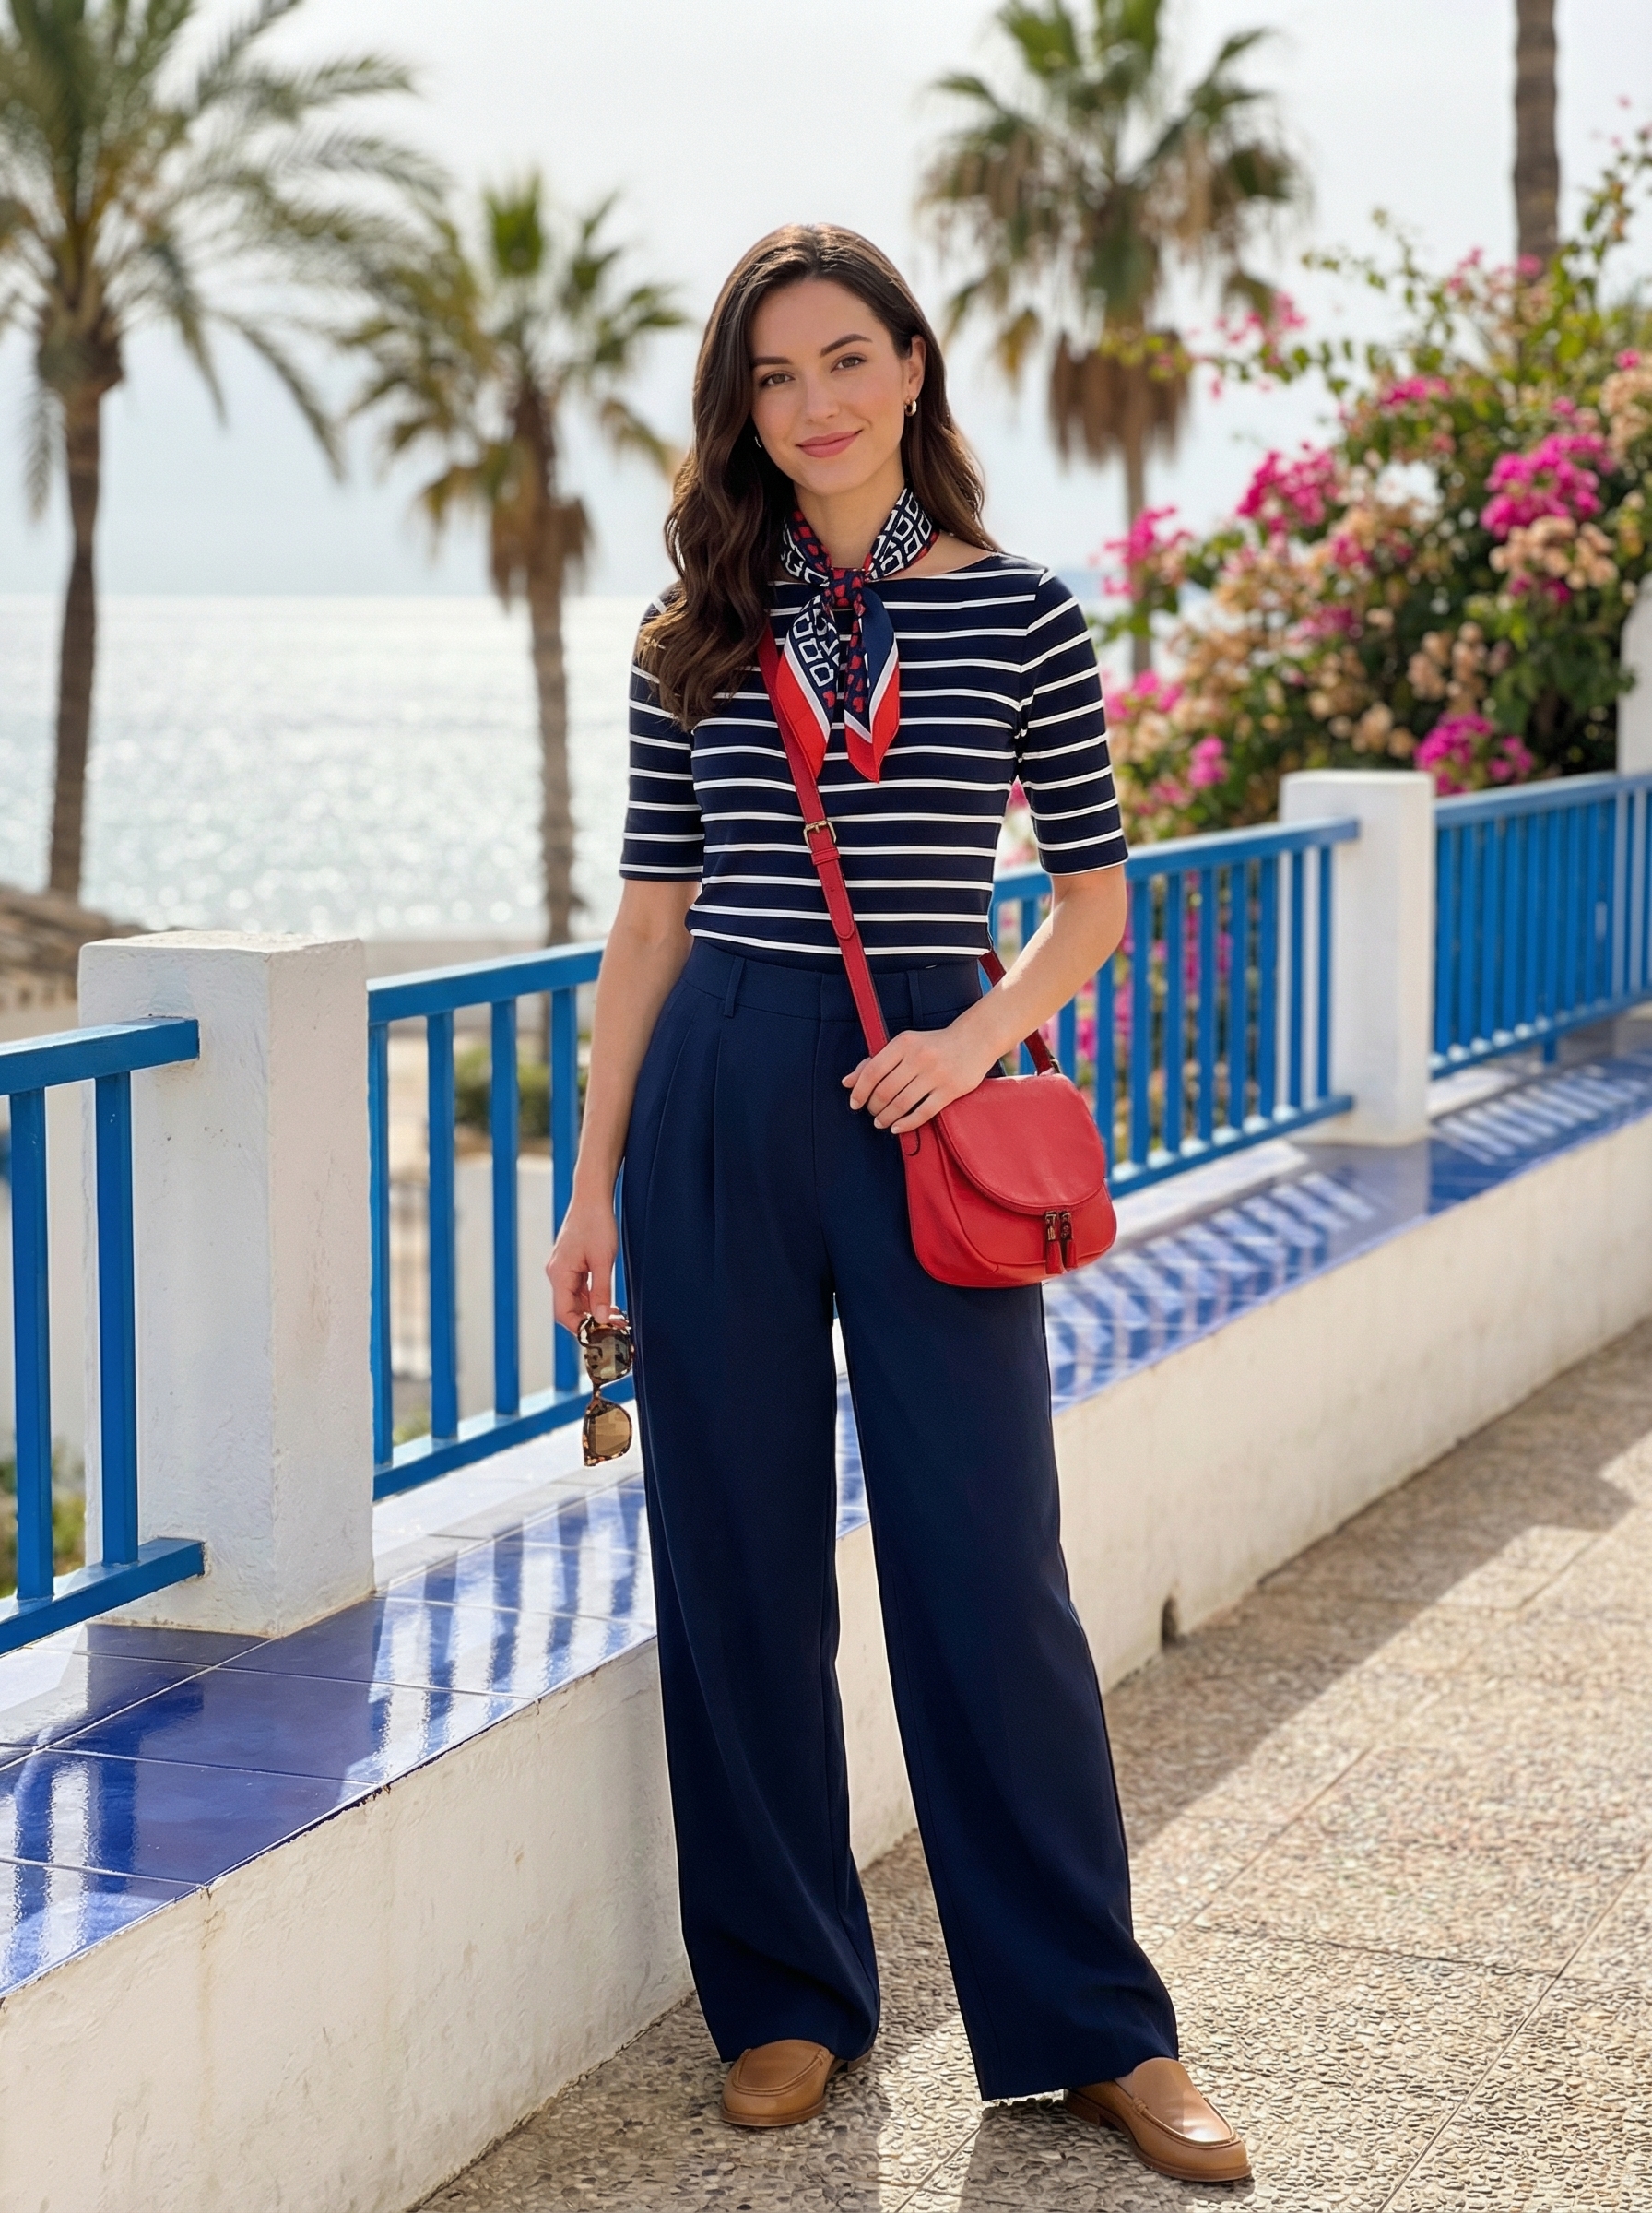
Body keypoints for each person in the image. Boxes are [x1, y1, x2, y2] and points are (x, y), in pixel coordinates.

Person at [548, 223, 1249, 2188]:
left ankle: (1092, 2028)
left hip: (925, 1094)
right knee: (736, 1565)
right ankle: (782, 1998)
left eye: (845, 359)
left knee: (984, 1565)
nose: (815, 403)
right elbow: (651, 917)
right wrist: (589, 1184)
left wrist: (983, 1035)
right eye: (772, 378)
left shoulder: (1020, 615)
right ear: (740, 411)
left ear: (914, 369)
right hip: (716, 1107)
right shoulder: (692, 622)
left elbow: (1094, 895)